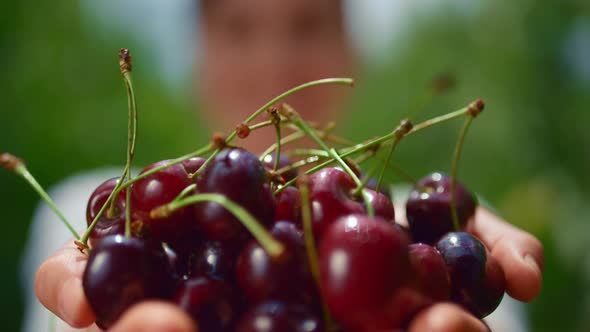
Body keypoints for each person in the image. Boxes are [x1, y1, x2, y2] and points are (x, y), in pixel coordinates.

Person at [25, 1, 544, 331]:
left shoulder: (417, 232)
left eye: (307, 25)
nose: (274, 60)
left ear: (351, 50)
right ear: (198, 55)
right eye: (239, 28)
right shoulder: (96, 207)